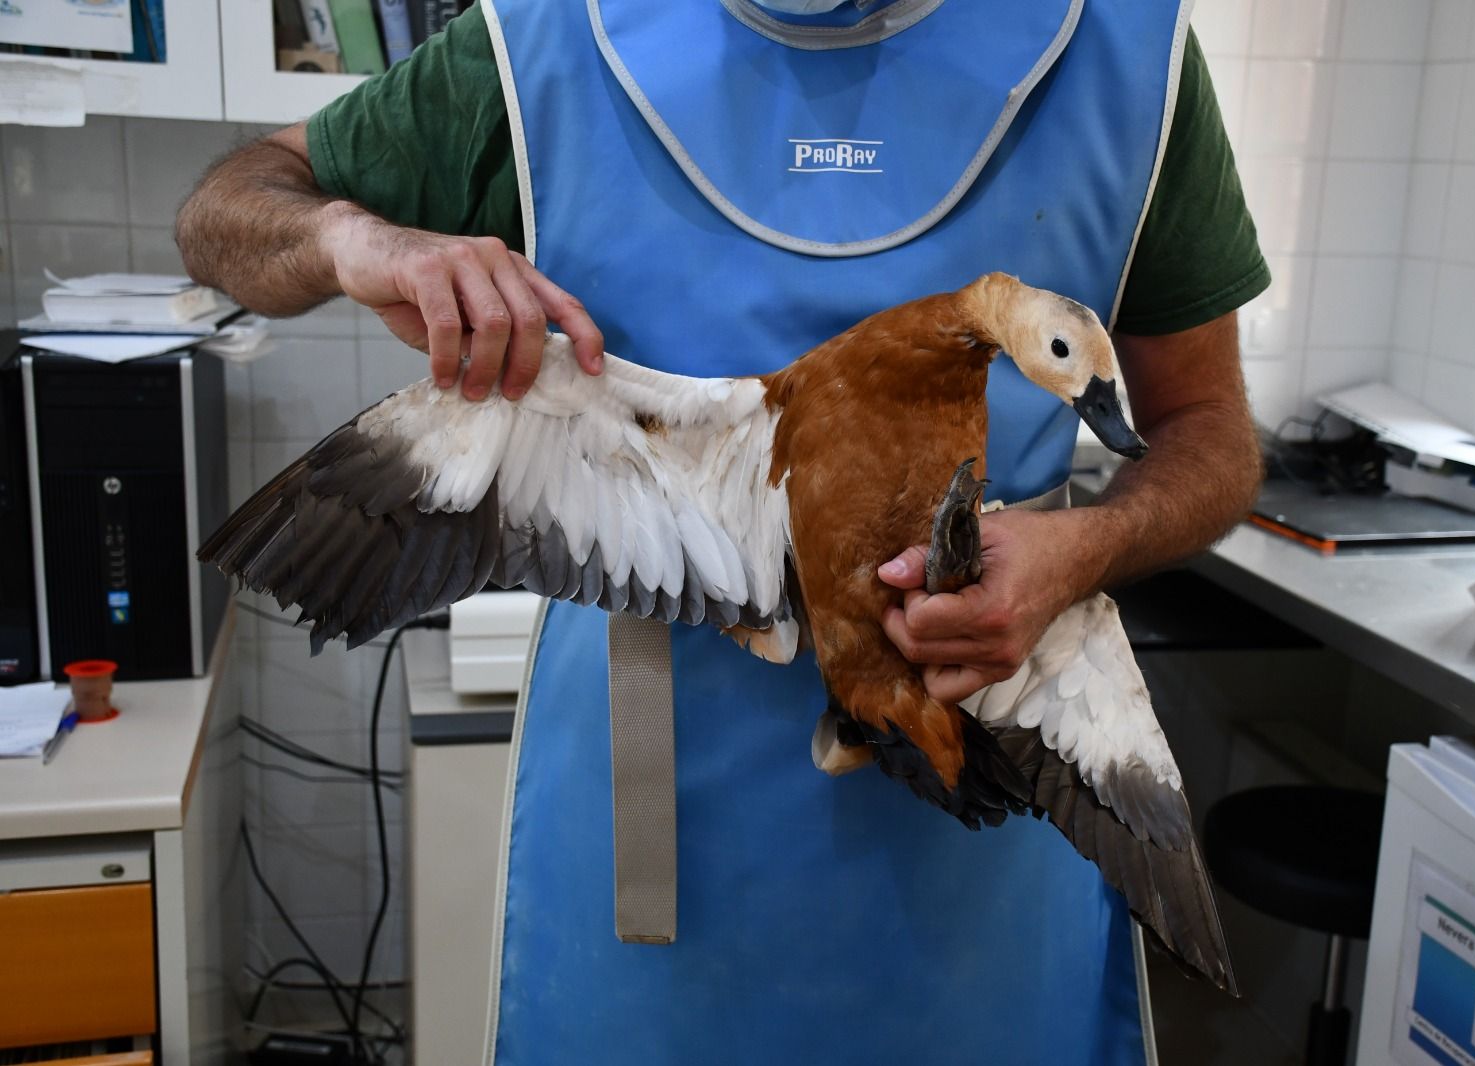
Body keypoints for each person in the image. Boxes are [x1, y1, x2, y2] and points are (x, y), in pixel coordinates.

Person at [178, 0, 1267, 1061]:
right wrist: (348, 237)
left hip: (990, 807)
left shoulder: (1132, 54)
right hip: (658, 834)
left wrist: (1086, 549)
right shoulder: (541, 44)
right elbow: (223, 214)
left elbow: (1211, 431)